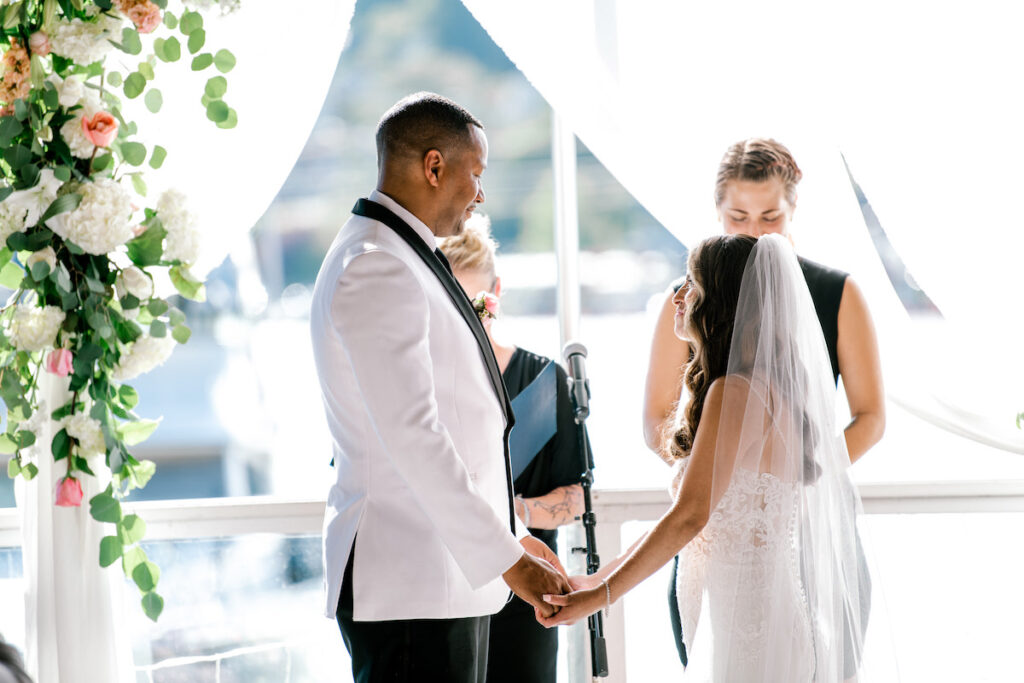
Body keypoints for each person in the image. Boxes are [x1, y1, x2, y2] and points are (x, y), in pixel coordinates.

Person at [310, 92, 570, 683]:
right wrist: (509, 562)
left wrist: (514, 536)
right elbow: (415, 436)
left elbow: (458, 423)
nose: (480, 194)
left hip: (436, 579)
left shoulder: (400, 254)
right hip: (410, 584)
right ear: (434, 167)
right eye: (475, 174)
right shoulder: (376, 265)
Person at [542, 233, 868, 682]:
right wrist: (598, 579)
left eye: (692, 284)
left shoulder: (733, 392)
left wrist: (601, 597)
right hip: (750, 617)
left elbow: (688, 517)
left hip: (745, 628)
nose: (678, 295)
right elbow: (694, 523)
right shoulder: (766, 389)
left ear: (722, 303)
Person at [642, 138, 884, 670]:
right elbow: (658, 415)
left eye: (770, 216)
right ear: (717, 213)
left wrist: (788, 482)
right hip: (722, 539)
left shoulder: (836, 293)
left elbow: (870, 417)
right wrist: (724, 477)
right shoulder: (689, 299)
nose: (754, 231)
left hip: (802, 526)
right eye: (738, 216)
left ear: (793, 209)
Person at [438, 215, 586, 683]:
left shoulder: (546, 382)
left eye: (473, 304)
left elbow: (578, 497)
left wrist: (507, 521)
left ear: (496, 292)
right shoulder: (422, 389)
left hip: (531, 595)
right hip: (449, 588)